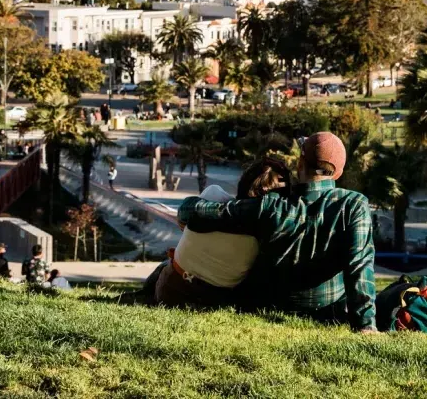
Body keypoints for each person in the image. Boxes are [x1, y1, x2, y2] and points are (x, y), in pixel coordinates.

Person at [176, 132, 378, 333]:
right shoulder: (354, 205)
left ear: (300, 163)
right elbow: (359, 267)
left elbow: (191, 210)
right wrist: (366, 325)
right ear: (337, 174)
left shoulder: (270, 207)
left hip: (271, 309)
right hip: (328, 313)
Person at [154, 158, 291, 308]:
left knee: (167, 263)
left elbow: (183, 222)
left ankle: (140, 293)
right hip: (214, 302)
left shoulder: (213, 195)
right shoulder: (269, 234)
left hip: (170, 291)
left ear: (244, 182)